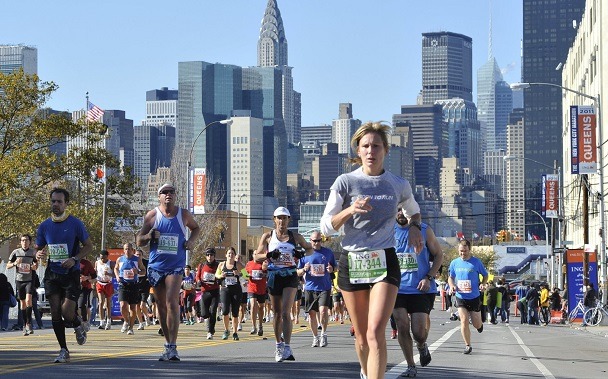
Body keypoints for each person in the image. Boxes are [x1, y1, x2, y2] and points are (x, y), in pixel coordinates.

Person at [320, 122, 423, 379]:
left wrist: (415, 227)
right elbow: (326, 226)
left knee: (376, 332)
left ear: (385, 150)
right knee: (363, 336)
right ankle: (366, 372)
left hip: (384, 260)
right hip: (352, 260)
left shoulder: (397, 184)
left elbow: (414, 211)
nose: (370, 151)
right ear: (358, 150)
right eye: (365, 146)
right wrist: (350, 210)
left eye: (376, 146)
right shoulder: (346, 182)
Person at [136, 183, 200, 362]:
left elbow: (196, 228)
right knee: (161, 306)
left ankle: (173, 345)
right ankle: (167, 344)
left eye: (171, 191)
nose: (168, 194)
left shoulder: (183, 214)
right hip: (156, 267)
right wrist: (149, 236)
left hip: (176, 266)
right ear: (159, 197)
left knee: (172, 302)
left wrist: (191, 242)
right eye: (164, 192)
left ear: (175, 195)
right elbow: (139, 240)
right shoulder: (152, 215)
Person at [35, 188, 93, 363]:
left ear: (66, 204)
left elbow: (88, 246)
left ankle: (77, 323)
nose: (56, 204)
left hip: (71, 273)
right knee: (54, 312)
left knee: (67, 312)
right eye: (53, 201)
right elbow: (39, 248)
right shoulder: (44, 226)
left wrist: (74, 258)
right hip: (52, 273)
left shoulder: (75, 224)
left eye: (59, 201)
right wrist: (38, 254)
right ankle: (63, 349)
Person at [254, 206, 312, 363]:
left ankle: (287, 346)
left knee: (286, 312)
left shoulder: (296, 236)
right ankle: (278, 345)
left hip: (290, 275)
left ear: (288, 220)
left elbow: (310, 249)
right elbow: (256, 257)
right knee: (277, 313)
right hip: (274, 275)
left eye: (284, 218)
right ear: (274, 220)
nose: (282, 221)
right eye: (279, 218)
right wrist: (268, 255)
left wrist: (301, 254)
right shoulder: (268, 236)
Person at [392, 209, 443, 377]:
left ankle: (422, 346)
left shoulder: (425, 230)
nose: (400, 213)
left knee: (419, 333)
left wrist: (428, 277)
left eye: (403, 210)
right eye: (397, 209)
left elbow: (438, 255)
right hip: (396, 288)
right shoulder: (388, 231)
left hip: (420, 288)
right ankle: (410, 365)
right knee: (401, 325)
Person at [448, 239, 488, 355]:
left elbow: (485, 275)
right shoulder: (454, 263)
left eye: (465, 251)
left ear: (469, 250)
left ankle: (479, 325)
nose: (463, 253)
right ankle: (467, 345)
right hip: (460, 296)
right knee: (464, 320)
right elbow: (450, 277)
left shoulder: (476, 262)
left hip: (474, 296)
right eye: (461, 251)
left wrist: (483, 283)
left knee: (476, 324)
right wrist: (451, 286)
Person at [297, 231, 337, 348]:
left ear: (321, 241)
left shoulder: (328, 253)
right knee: (312, 314)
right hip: (310, 287)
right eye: (314, 241)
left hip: (324, 287)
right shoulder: (305, 255)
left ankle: (323, 334)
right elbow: (297, 272)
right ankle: (315, 337)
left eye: (319, 240)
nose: (316, 243)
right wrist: (304, 269)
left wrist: (331, 269)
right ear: (310, 241)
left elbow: (335, 267)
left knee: (324, 311)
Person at [6, 234, 38, 336]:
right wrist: (15, 263)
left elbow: (36, 265)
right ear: (20, 242)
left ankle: (29, 323)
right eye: (23, 240)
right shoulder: (16, 252)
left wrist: (34, 267)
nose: (25, 242)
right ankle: (24, 325)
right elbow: (8, 265)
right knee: (23, 304)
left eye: (26, 240)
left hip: (29, 280)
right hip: (19, 281)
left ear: (30, 242)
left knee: (29, 301)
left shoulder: (33, 252)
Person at [114, 242, 145, 335]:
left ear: (133, 250)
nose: (127, 251)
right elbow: (115, 268)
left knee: (132, 307)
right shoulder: (120, 259)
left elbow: (144, 271)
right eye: (126, 249)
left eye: (129, 249)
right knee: (123, 305)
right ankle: (126, 321)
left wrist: (138, 272)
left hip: (134, 285)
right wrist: (117, 276)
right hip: (123, 284)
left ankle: (131, 328)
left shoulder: (137, 259)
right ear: (123, 250)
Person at [216, 247, 244, 340]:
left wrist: (238, 274)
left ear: (234, 255)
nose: (230, 255)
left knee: (235, 312)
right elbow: (216, 275)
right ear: (226, 255)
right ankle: (226, 330)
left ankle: (235, 332)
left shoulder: (238, 264)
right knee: (225, 311)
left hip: (236, 290)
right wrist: (221, 275)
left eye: (232, 253)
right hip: (225, 289)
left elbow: (247, 275)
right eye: (229, 253)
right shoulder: (221, 264)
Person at [196, 248, 221, 340]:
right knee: (204, 314)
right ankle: (208, 323)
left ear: (214, 256)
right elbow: (197, 276)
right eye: (208, 255)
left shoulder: (218, 265)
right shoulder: (202, 265)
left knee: (213, 311)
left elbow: (220, 275)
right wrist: (198, 281)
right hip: (205, 291)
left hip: (214, 291)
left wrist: (219, 279)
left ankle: (210, 331)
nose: (209, 257)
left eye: (211, 255)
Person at [245, 253, 268, 336]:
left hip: (261, 289)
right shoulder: (249, 263)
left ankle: (260, 325)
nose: (255, 255)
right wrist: (247, 276)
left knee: (261, 307)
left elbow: (267, 273)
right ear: (253, 255)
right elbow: (244, 273)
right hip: (252, 288)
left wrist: (263, 273)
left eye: (257, 254)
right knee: (253, 305)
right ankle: (253, 326)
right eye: (254, 254)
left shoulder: (263, 263)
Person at [95, 250, 115, 330]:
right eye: (101, 257)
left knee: (108, 303)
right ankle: (102, 321)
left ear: (107, 256)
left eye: (103, 257)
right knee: (100, 302)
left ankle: (108, 321)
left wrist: (108, 274)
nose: (102, 259)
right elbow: (95, 272)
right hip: (100, 283)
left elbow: (115, 274)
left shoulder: (111, 263)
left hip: (108, 283)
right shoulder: (97, 263)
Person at [78, 257, 96, 332]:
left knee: (82, 305)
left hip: (84, 287)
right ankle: (78, 324)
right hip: (73, 287)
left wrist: (86, 278)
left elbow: (94, 275)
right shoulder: (70, 262)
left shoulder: (86, 263)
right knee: (74, 307)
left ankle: (85, 321)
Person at [135, 248, 151, 329]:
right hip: (135, 286)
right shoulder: (133, 262)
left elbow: (150, 271)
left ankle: (146, 316)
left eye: (139, 255)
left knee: (142, 305)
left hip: (145, 285)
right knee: (136, 306)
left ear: (142, 256)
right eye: (136, 255)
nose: (138, 256)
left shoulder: (146, 263)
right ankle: (141, 323)